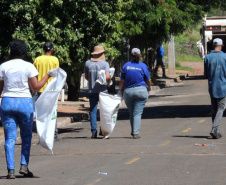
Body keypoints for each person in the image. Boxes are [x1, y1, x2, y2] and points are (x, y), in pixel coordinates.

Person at [0, 39, 56, 179]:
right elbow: (35, 88)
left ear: (11, 51)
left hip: (7, 103)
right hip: (25, 103)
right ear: (24, 51)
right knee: (26, 137)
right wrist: (48, 75)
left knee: (10, 138)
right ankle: (24, 166)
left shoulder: (3, 66)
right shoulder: (29, 66)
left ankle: (10, 170)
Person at [118, 48, 151, 139]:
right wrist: (149, 87)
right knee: (137, 113)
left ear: (130, 55)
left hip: (128, 92)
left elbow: (122, 81)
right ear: (139, 55)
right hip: (141, 91)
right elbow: (147, 80)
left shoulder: (126, 66)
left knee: (131, 112)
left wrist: (120, 91)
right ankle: (135, 133)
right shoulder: (143, 66)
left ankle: (133, 131)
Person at [33, 41, 60, 140]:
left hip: (40, 89)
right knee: (52, 110)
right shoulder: (54, 60)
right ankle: (53, 132)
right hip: (51, 89)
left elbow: (34, 74)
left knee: (41, 112)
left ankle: (42, 132)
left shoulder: (37, 59)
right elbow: (57, 73)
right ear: (52, 49)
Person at [84, 45, 111, 138]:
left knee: (93, 111)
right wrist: (109, 81)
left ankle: (93, 132)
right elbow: (107, 77)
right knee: (104, 111)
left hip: (92, 91)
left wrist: (92, 81)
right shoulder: (105, 64)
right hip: (103, 91)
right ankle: (103, 131)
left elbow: (86, 76)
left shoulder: (87, 63)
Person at [204, 38, 226, 139]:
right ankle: (214, 128)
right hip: (223, 86)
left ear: (213, 46)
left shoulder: (207, 57)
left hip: (212, 85)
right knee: (221, 107)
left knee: (214, 108)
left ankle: (216, 131)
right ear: (221, 46)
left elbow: (206, 74)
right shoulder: (225, 57)